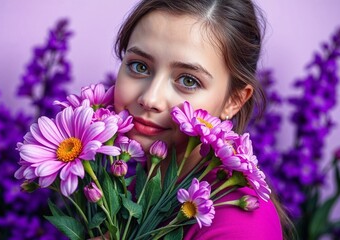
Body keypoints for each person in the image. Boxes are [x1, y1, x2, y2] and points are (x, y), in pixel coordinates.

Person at [113, 0, 294, 239]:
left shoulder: (241, 226)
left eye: (188, 80)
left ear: (234, 101)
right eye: (139, 66)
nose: (150, 99)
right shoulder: (130, 185)